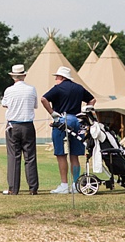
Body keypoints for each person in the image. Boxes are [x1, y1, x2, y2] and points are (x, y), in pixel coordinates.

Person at [41, 66, 95, 194]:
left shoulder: (58, 88)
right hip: (78, 121)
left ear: (62, 77)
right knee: (74, 155)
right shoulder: (79, 88)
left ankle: (64, 184)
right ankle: (76, 185)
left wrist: (52, 113)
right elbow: (92, 99)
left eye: (57, 77)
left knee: (61, 154)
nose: (56, 79)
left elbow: (43, 99)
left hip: (63, 120)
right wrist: (86, 111)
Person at [0, 64, 39, 195]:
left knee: (13, 157)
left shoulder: (8, 90)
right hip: (28, 125)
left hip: (13, 125)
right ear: (24, 75)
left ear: (13, 77)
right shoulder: (31, 89)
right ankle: (33, 188)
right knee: (30, 157)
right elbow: (35, 105)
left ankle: (13, 188)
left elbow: (4, 104)